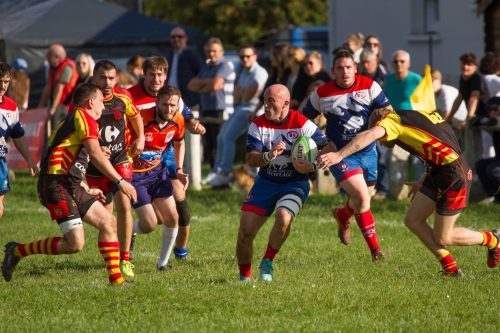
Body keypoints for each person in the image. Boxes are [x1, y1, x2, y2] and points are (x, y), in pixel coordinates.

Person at [317, 107, 500, 277]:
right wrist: (422, 179)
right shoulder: (416, 116)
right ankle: (450, 268)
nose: (381, 142)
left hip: (452, 174)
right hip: (438, 170)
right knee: (412, 220)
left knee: (444, 236)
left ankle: (492, 239)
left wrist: (338, 155)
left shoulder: (391, 121)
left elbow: (372, 133)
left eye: (381, 138)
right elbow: (439, 141)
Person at [1, 82, 138, 285]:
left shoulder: (80, 120)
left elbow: (68, 160)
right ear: (91, 102)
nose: (104, 106)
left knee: (109, 223)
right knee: (75, 244)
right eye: (101, 101)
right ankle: (17, 251)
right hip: (56, 186)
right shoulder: (84, 117)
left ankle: (116, 281)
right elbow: (94, 154)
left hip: (70, 184)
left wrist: (86, 187)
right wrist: (120, 181)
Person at [236, 84, 333, 282]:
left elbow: (329, 147)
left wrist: (312, 165)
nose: (265, 105)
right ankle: (243, 279)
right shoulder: (258, 124)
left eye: (271, 101)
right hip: (265, 182)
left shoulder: (302, 124)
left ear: (285, 103)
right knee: (245, 233)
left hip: (294, 183)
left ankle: (267, 261)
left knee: (283, 217)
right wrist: (269, 154)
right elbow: (251, 159)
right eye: (264, 100)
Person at [303, 49, 392, 261]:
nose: (345, 72)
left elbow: (389, 113)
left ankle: (342, 216)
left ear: (356, 68)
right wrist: (322, 143)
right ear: (333, 70)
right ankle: (375, 250)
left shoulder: (370, 86)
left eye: (349, 67)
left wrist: (384, 130)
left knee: (362, 201)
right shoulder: (322, 93)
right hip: (339, 155)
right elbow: (303, 122)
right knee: (361, 197)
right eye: (340, 68)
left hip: (368, 151)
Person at [69, 60, 145, 282]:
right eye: (103, 78)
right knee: (107, 214)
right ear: (93, 79)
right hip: (94, 165)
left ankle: (125, 258)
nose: (107, 82)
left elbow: (136, 116)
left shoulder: (123, 98)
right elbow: (76, 130)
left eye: (111, 78)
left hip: (121, 158)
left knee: (125, 204)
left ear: (117, 79)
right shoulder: (85, 102)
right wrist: (92, 146)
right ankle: (112, 262)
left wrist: (140, 136)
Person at [129, 56, 205, 260]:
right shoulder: (130, 97)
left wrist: (195, 125)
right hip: (135, 163)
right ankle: (124, 236)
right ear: (143, 74)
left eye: (160, 74)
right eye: (151, 74)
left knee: (180, 208)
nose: (156, 79)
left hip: (164, 159)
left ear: (165, 76)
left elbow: (185, 121)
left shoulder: (172, 97)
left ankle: (180, 252)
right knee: (153, 220)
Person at [130, 84, 189, 270]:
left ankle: (162, 264)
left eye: (173, 105)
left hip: (157, 173)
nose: (169, 109)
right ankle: (124, 230)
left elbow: (179, 143)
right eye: (165, 104)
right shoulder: (140, 118)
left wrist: (179, 169)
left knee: (173, 217)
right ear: (156, 102)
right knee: (149, 224)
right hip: (135, 176)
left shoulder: (178, 120)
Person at [207, 46, 268, 187]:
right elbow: (236, 95)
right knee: (220, 137)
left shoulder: (259, 72)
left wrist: (242, 92)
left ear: (255, 56)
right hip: (241, 108)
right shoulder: (244, 71)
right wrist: (242, 93)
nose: (244, 59)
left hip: (252, 111)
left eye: (248, 56)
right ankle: (217, 170)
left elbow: (246, 96)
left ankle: (225, 172)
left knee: (228, 138)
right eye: (242, 57)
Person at [188, 37, 235, 171]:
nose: (211, 54)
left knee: (220, 143)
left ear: (221, 52)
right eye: (209, 51)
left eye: (214, 51)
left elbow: (215, 85)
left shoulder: (225, 65)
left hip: (221, 109)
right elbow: (191, 85)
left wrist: (202, 85)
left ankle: (223, 176)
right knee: (209, 145)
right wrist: (207, 84)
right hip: (207, 109)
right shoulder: (207, 67)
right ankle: (214, 173)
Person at [0, 62, 38, 217]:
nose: (3, 86)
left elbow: (18, 135)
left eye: (6, 81)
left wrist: (29, 159)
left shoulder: (11, 107)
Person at [385, 50, 424, 181]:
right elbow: (386, 100)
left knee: (417, 159)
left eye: (402, 61)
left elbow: (426, 100)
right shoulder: (389, 79)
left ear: (408, 63)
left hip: (414, 123)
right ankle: (393, 190)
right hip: (394, 123)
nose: (399, 64)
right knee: (392, 157)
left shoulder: (416, 79)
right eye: (396, 61)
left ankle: (421, 190)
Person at [445, 53, 491, 159]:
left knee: (483, 152)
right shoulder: (463, 78)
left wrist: (468, 119)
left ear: (475, 67)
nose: (465, 67)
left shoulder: (476, 78)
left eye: (469, 64)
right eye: (463, 64)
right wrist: (448, 119)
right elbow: (459, 98)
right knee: (471, 149)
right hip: (475, 119)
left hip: (484, 119)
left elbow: (474, 97)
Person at [37, 44, 79, 129]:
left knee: (62, 131)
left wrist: (54, 107)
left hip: (66, 107)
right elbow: (48, 88)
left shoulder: (67, 67)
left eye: (49, 54)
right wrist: (39, 109)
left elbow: (60, 87)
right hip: (58, 107)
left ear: (57, 56)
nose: (46, 56)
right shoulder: (52, 68)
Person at [245, 45, 289, 124]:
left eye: (273, 55)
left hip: (284, 116)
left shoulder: (288, 74)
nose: (270, 58)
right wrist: (254, 113)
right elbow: (263, 96)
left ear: (279, 56)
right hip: (271, 113)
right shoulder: (274, 74)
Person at [166, 26, 204, 110]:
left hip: (190, 101)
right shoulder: (169, 55)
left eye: (179, 36)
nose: (176, 39)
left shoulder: (192, 55)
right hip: (171, 101)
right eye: (173, 37)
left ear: (185, 38)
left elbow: (201, 73)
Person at [473, 97, 500, 204]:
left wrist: (486, 121)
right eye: (489, 110)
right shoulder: (492, 117)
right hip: (498, 158)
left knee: (493, 170)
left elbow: (494, 121)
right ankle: (492, 197)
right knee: (480, 165)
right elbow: (474, 120)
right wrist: (485, 120)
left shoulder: (495, 119)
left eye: (494, 109)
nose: (492, 112)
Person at [431, 69, 467, 147]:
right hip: (455, 126)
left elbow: (446, 114)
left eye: (432, 81)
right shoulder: (436, 94)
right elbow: (437, 111)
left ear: (439, 80)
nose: (430, 84)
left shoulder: (446, 92)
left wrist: (439, 129)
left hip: (463, 125)